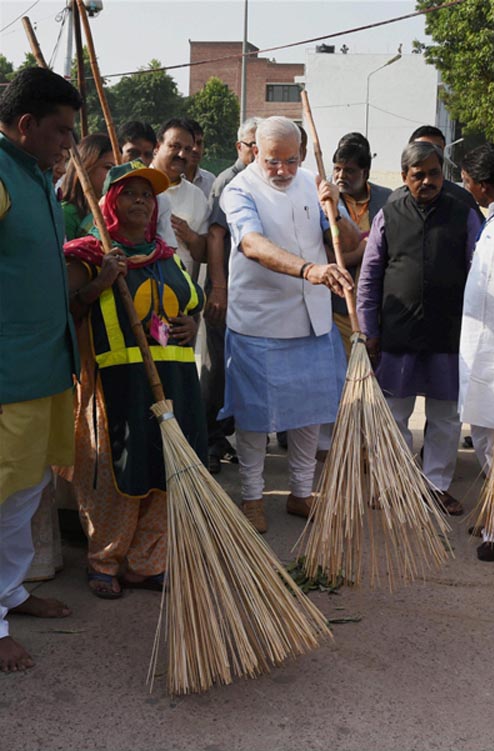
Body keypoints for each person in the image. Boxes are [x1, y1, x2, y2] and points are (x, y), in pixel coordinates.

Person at [63, 161, 207, 598]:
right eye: (130, 193)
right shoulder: (89, 255)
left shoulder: (167, 256)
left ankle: (147, 562)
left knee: (166, 470)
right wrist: (102, 281)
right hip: (116, 382)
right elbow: (67, 310)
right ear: (109, 201)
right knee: (118, 471)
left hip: (174, 380)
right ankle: (105, 559)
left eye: (148, 194)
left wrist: (191, 325)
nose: (142, 201)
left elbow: (190, 307)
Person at [219, 116, 359, 533]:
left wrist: (338, 209)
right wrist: (309, 271)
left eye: (290, 161)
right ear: (254, 152)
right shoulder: (239, 189)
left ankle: (301, 493)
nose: (282, 170)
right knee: (254, 417)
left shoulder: (313, 182)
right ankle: (252, 497)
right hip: (259, 321)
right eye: (272, 161)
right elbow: (252, 245)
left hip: (312, 320)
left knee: (310, 412)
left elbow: (349, 243)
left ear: (300, 154)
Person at [0, 67, 82, 672]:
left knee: (26, 494)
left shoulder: (36, 179)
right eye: (60, 132)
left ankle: (9, 593)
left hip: (45, 368)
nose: (67, 145)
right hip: (8, 374)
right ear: (25, 125)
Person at [357, 141, 482, 516]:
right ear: (403, 177)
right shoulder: (389, 214)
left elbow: (480, 273)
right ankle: (393, 484)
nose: (427, 181)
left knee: (445, 417)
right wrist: (369, 329)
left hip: (450, 334)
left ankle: (435, 486)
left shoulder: (463, 213)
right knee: (394, 414)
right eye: (419, 175)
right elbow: (370, 276)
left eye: (434, 173)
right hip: (398, 334)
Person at [200, 116, 261, 474]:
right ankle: (210, 438)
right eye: (252, 144)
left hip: (252, 294)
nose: (258, 150)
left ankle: (228, 436)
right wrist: (219, 288)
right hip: (226, 291)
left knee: (242, 367)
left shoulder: (264, 180)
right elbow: (215, 236)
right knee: (217, 368)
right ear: (240, 147)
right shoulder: (230, 180)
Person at [459, 143, 494, 560]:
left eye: (468, 181)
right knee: (488, 438)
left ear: (484, 186)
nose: (465, 186)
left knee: (493, 442)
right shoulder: (492, 222)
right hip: (487, 353)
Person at [332, 138, 391, 354]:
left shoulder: (387, 200)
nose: (340, 176)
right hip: (337, 308)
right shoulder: (327, 202)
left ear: (365, 173)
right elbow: (323, 252)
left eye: (349, 171)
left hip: (375, 307)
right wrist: (362, 251)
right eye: (337, 169)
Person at [152, 118, 209, 278]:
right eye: (175, 146)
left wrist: (190, 236)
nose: (182, 154)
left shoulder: (196, 195)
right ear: (157, 147)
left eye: (188, 149)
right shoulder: (136, 185)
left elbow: (204, 254)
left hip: (182, 292)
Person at [388, 125, 483, 218]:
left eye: (436, 149)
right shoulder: (394, 201)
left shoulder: (461, 200)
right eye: (422, 149)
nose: (428, 155)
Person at [60, 133, 115, 239]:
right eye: (108, 167)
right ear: (87, 167)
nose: (114, 174)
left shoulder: (113, 211)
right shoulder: (65, 214)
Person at [183, 118, 215, 198]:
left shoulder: (210, 181)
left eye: (199, 143)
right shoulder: (168, 180)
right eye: (191, 143)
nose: (195, 149)